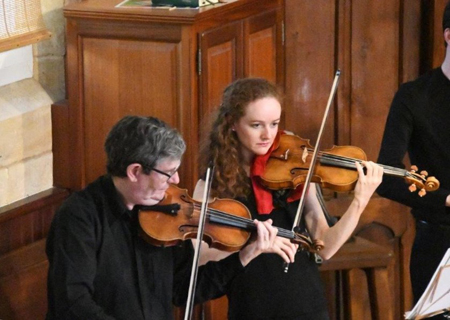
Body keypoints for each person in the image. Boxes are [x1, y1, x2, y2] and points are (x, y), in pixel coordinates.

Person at [45, 115, 297, 320]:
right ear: (135, 172)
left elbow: (185, 289)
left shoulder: (168, 213)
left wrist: (246, 254)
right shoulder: (79, 218)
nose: (175, 181)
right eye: (168, 172)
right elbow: (72, 303)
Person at [195, 78, 384, 320]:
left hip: (307, 305)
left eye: (274, 124)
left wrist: (359, 202)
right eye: (256, 125)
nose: (268, 135)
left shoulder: (295, 169)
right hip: (253, 308)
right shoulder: (213, 183)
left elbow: (325, 248)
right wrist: (251, 244)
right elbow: (201, 258)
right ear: (231, 123)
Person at [377, 2, 450, 317]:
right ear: (449, 35)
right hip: (438, 239)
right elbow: (386, 175)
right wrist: (446, 199)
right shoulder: (413, 97)